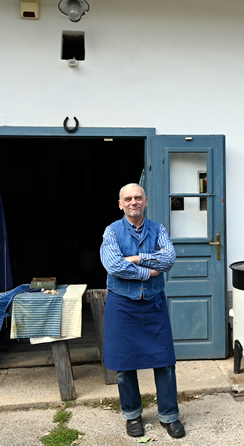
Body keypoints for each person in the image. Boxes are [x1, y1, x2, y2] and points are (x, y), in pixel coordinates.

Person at [100, 183, 186, 439]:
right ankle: (132, 414)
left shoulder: (158, 229)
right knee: (124, 365)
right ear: (120, 204)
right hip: (122, 305)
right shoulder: (112, 231)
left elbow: (169, 259)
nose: (133, 202)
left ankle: (169, 416)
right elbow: (113, 265)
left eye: (138, 197)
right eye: (128, 199)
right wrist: (149, 271)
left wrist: (136, 258)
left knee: (164, 362)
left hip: (153, 304)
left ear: (145, 201)